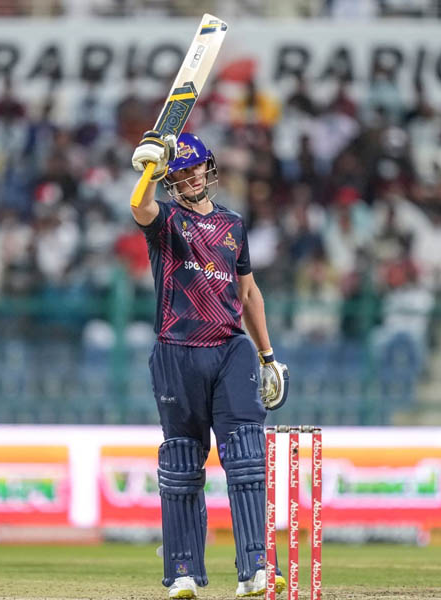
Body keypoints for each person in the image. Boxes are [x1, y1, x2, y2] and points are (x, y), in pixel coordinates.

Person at [130, 131, 289, 599]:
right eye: (181, 170)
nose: (193, 175)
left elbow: (248, 293)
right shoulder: (166, 220)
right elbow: (138, 207)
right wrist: (146, 172)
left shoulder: (234, 225)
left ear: (209, 167)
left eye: (197, 166)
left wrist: (268, 355)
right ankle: (182, 572)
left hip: (229, 348)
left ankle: (255, 569)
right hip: (176, 350)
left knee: (245, 454)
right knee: (181, 462)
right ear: (170, 178)